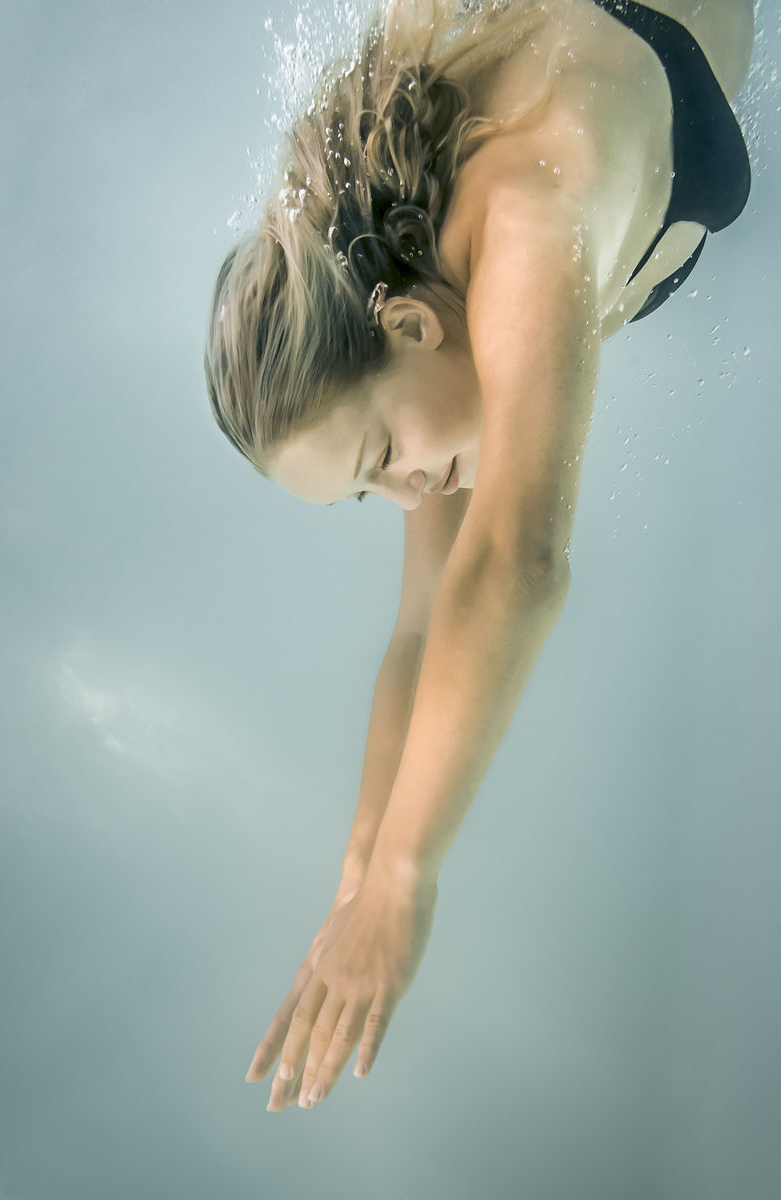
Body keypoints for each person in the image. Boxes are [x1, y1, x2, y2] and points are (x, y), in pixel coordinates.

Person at [204, 0, 755, 1113]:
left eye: (381, 455)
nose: (407, 492)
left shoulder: (522, 210)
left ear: (407, 328)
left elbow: (514, 563)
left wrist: (406, 883)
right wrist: (357, 873)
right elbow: (420, 627)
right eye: (370, 493)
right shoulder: (423, 321)